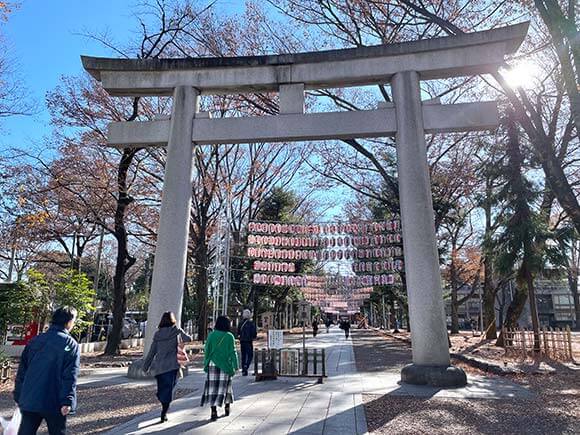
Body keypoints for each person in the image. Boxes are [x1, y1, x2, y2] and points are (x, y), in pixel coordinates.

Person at [14, 306, 80, 435]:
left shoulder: (35, 341)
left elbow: (22, 371)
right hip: (54, 400)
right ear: (69, 321)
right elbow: (70, 375)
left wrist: (19, 395)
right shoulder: (70, 344)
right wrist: (67, 400)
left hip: (30, 399)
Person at [143, 312, 193, 423]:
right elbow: (188, 339)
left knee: (163, 389)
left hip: (159, 367)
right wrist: (181, 332)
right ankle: (164, 412)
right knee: (169, 389)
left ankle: (163, 404)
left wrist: (145, 366)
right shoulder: (176, 331)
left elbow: (152, 352)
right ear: (172, 320)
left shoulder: (158, 335)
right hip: (172, 366)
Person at [201, 316, 238, 421]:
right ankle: (227, 406)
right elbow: (233, 352)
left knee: (213, 388)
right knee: (226, 387)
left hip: (213, 364)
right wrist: (236, 365)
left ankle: (213, 411)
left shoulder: (211, 335)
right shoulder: (229, 336)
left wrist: (205, 363)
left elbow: (207, 349)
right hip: (226, 366)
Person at [237, 309, 257, 376]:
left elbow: (238, 332)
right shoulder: (251, 323)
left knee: (243, 355)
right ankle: (246, 365)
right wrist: (253, 337)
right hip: (249, 341)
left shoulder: (240, 323)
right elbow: (254, 333)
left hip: (242, 341)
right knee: (250, 355)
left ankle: (243, 370)